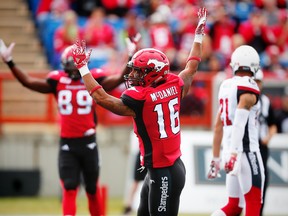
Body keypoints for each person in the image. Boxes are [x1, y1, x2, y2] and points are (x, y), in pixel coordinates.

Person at [71, 7, 207, 216]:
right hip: (168, 169)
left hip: (163, 174)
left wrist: (83, 68)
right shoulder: (175, 84)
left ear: (153, 73)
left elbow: (101, 97)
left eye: (138, 71)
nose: (133, 74)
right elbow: (192, 67)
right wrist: (198, 36)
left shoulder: (141, 98)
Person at [0, 36, 139, 216]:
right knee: (69, 187)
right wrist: (9, 62)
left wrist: (131, 55)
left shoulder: (92, 78)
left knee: (91, 188)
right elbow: (28, 82)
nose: (73, 68)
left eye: (75, 64)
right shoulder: (58, 81)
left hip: (88, 142)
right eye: (70, 63)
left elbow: (120, 78)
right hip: (68, 143)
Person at [207, 45, 265, 216]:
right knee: (253, 206)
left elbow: (218, 125)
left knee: (233, 207)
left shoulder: (226, 86)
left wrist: (217, 158)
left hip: (229, 152)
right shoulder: (249, 86)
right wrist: (234, 154)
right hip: (246, 152)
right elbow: (240, 123)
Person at [254, 69, 277, 216]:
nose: (257, 85)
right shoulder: (242, 98)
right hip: (246, 146)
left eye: (259, 82)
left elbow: (273, 125)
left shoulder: (266, 101)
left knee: (262, 180)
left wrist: (268, 137)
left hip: (261, 146)